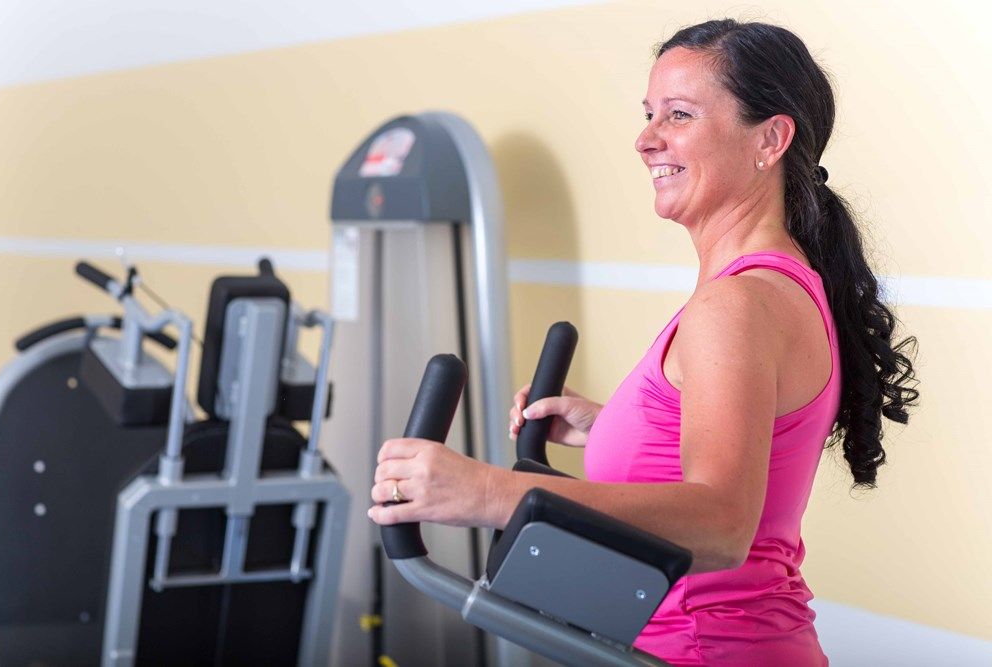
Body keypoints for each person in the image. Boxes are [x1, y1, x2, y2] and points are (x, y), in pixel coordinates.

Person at [368, 18, 919, 666]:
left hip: (708, 649)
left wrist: (483, 491)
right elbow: (742, 445)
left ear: (770, 139)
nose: (645, 139)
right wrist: (614, 426)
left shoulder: (736, 304)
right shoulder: (773, 285)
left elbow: (720, 523)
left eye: (678, 115)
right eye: (649, 114)